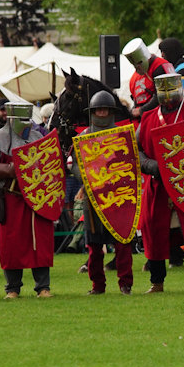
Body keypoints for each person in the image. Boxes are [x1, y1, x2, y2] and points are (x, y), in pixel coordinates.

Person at [137, 74, 184, 293]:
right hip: (158, 183)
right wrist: (153, 167)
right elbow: (138, 151)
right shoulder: (148, 118)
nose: (168, 94)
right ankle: (157, 282)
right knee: (153, 230)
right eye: (164, 90)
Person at [0, 102, 54, 298]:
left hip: (37, 198)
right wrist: (7, 172)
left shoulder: (38, 137)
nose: (24, 123)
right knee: (11, 244)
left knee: (40, 243)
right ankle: (12, 288)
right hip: (10, 197)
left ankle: (43, 287)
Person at [73, 91, 135, 295]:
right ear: (92, 112)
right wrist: (85, 180)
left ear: (110, 111)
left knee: (122, 242)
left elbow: (130, 161)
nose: (101, 113)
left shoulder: (122, 134)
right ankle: (97, 285)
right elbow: (75, 166)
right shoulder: (83, 137)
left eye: (105, 109)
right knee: (94, 245)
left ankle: (125, 284)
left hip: (118, 196)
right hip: (93, 198)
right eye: (98, 109)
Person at [122, 37, 174, 120]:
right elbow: (136, 103)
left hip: (162, 113)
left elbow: (163, 96)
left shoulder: (159, 67)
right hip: (144, 116)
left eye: (139, 63)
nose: (138, 67)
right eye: (135, 65)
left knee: (139, 133)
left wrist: (142, 110)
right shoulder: (133, 79)